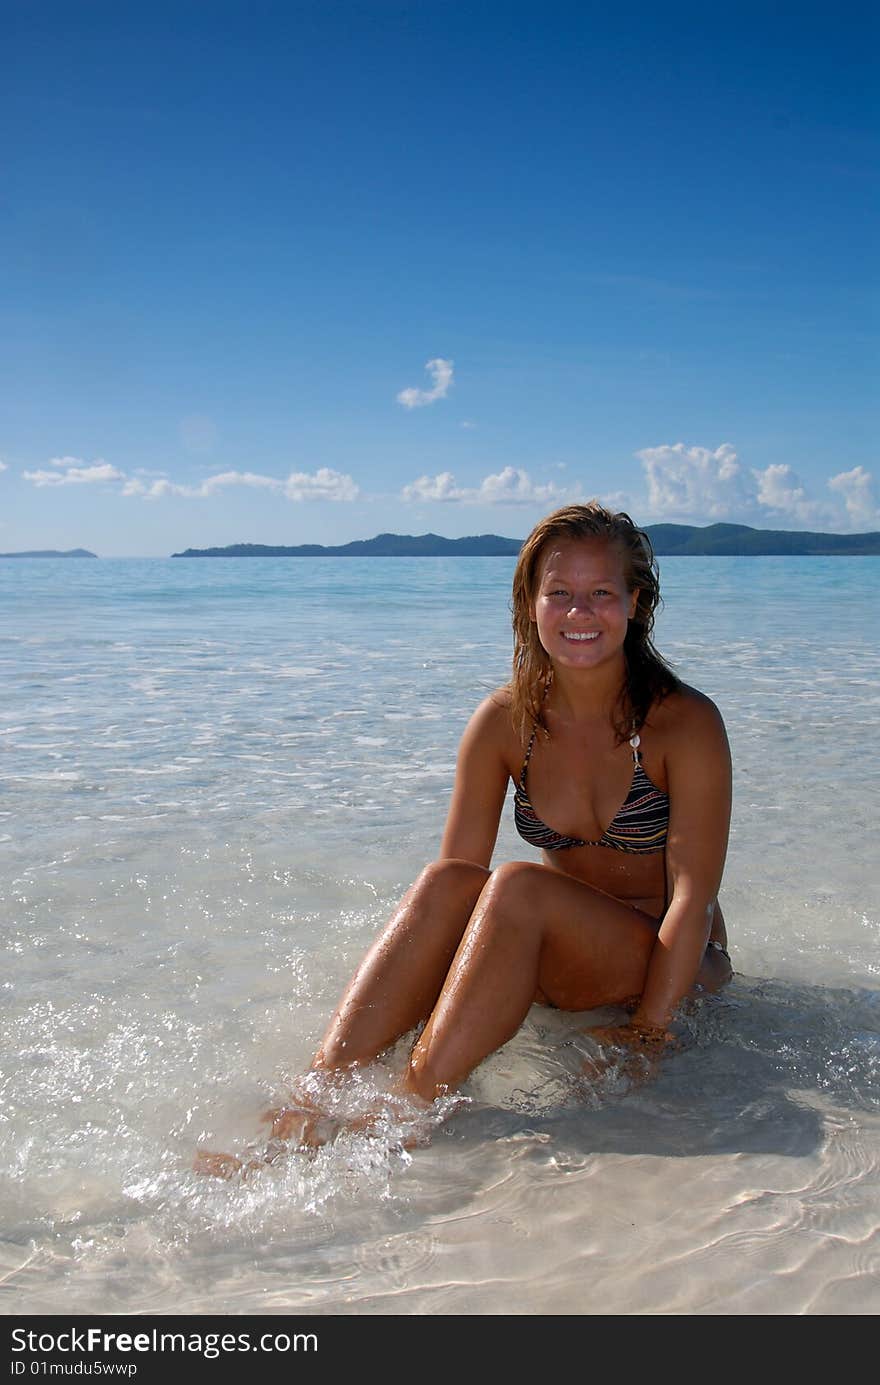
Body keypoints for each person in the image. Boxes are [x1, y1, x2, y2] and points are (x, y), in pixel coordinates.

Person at [196, 502, 731, 1174]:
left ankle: (411, 1102)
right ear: (530, 604)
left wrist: (648, 1034)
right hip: (562, 957)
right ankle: (315, 1093)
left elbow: (693, 898)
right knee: (448, 877)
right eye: (559, 593)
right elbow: (453, 891)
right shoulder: (505, 722)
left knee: (518, 886)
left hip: (670, 964)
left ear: (636, 601)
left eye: (601, 593)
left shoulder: (684, 723)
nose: (579, 613)